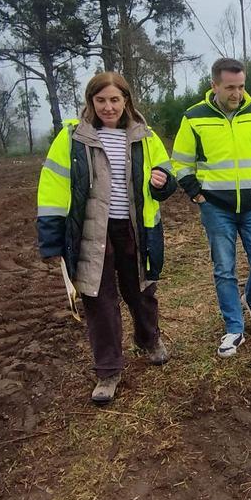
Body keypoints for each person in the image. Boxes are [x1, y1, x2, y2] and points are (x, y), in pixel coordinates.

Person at [37, 72, 177, 404]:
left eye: (115, 100)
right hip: (90, 231)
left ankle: (149, 339)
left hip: (133, 229)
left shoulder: (145, 136)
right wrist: (51, 237)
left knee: (141, 291)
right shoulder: (73, 138)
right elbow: (53, 185)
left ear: (126, 100)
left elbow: (166, 178)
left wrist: (164, 182)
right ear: (91, 101)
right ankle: (108, 369)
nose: (108, 107)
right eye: (101, 100)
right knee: (98, 300)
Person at [171, 58, 251, 358]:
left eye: (241, 86)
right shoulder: (194, 117)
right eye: (230, 87)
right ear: (214, 86)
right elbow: (180, 161)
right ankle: (235, 328)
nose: (237, 93)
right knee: (224, 269)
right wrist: (195, 192)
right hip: (215, 207)